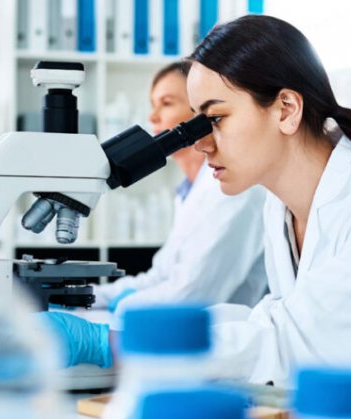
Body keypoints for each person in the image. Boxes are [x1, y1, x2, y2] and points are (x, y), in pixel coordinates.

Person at [44, 15, 351, 419]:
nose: (201, 143)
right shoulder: (280, 208)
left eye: (215, 119)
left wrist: (109, 342)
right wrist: (137, 330)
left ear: (286, 109)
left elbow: (292, 342)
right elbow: (274, 321)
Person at [92, 61, 268, 315]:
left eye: (167, 102)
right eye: (153, 105)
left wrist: (124, 306)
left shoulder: (236, 188)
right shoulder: (189, 191)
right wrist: (89, 296)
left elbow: (192, 294)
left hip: (221, 337)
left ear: (201, 112)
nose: (152, 117)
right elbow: (160, 276)